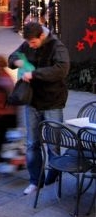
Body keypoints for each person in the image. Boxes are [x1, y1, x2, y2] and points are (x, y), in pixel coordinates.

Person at [8, 22, 70, 196]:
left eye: (33, 42)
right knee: (32, 143)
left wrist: (35, 74)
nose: (30, 45)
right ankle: (35, 180)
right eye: (28, 42)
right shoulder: (28, 43)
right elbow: (12, 57)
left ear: (42, 36)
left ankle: (54, 173)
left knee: (53, 143)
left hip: (52, 101)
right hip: (32, 101)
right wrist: (17, 61)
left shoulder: (57, 46)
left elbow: (61, 69)